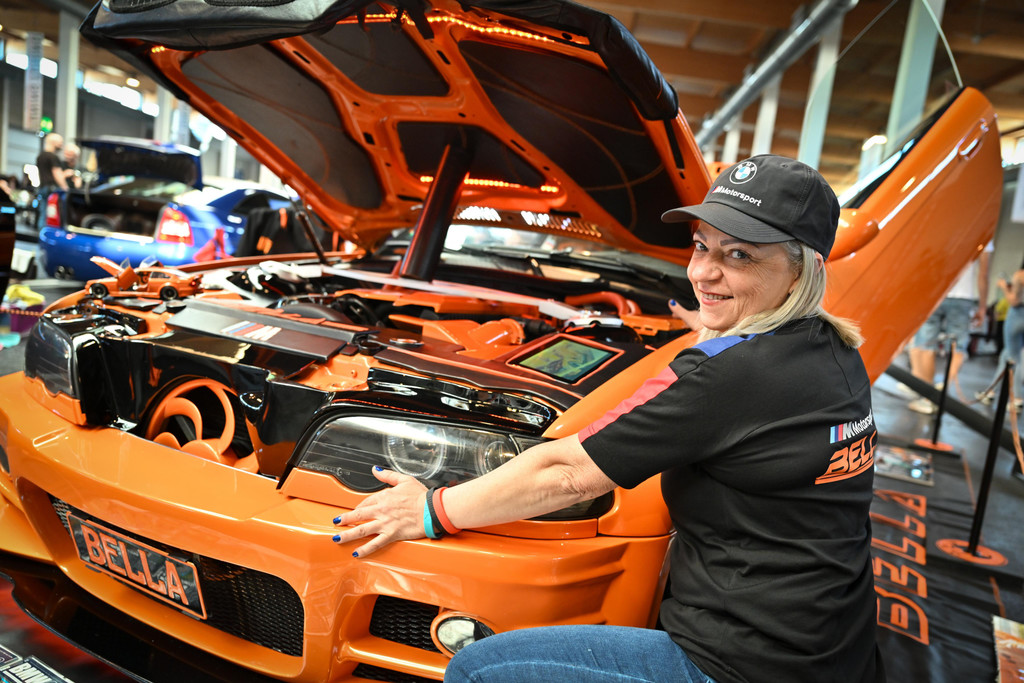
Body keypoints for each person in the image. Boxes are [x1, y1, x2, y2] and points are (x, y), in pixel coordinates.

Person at [331, 155, 884, 683]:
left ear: (804, 270)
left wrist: (430, 509)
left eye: (740, 256)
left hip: (740, 666)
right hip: (835, 650)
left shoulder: (730, 374)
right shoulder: (833, 350)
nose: (703, 272)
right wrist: (714, 319)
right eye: (701, 246)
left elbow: (569, 474)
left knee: (476, 670)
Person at [907, 241, 992, 414]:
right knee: (958, 347)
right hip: (963, 297)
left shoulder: (946, 227)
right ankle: (943, 390)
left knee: (926, 344)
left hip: (937, 291)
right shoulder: (985, 234)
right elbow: (983, 274)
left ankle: (927, 398)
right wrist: (983, 307)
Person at [978, 263, 1024, 410]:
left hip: (1018, 315)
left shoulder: (1020, 275)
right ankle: (991, 391)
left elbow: (1014, 300)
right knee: (1007, 355)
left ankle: (1017, 397)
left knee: (1014, 358)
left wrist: (1004, 286)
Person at [34, 133, 68, 229]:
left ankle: (41, 232)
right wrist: (65, 187)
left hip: (43, 187)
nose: (62, 145)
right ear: (53, 142)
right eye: (60, 142)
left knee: (43, 212)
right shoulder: (53, 157)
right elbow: (56, 173)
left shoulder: (40, 156)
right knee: (52, 214)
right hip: (52, 189)